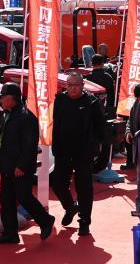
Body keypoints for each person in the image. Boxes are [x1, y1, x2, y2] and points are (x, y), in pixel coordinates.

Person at [0, 83, 55, 244]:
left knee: (24, 197)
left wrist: (21, 166)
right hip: (7, 165)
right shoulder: (8, 115)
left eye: (3, 97)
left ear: (12, 98)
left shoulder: (26, 117)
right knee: (6, 200)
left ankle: (46, 221)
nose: (1, 101)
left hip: (20, 167)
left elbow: (29, 145)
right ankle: (10, 233)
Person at [51, 72, 104, 236]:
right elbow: (56, 124)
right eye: (70, 85)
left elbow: (100, 127)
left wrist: (96, 149)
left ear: (82, 86)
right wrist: (55, 147)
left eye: (76, 85)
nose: (73, 88)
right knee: (57, 182)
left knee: (84, 188)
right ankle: (70, 207)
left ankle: (84, 221)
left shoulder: (91, 102)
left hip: (84, 152)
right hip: (63, 150)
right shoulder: (60, 100)